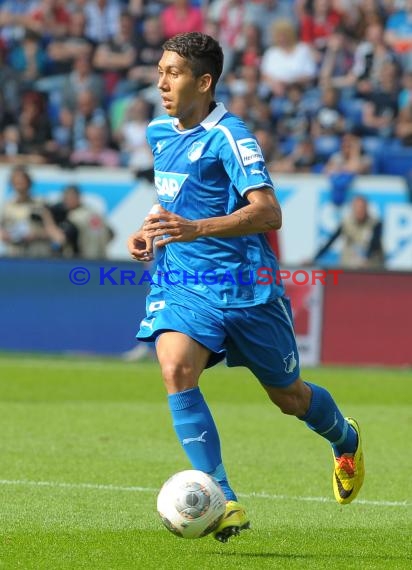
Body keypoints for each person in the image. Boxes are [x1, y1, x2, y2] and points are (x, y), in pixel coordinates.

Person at [127, 32, 365, 543]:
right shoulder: (158, 132)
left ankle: (344, 437)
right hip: (185, 284)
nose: (162, 81)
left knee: (290, 398)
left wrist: (196, 228)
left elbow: (268, 213)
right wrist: (152, 230)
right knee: (174, 368)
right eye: (161, 70)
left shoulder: (232, 137)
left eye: (174, 73)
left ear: (204, 81)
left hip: (247, 291)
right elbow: (174, 197)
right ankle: (223, 498)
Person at [313, 194, 384, 269]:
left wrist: (365, 258)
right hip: (349, 267)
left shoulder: (375, 224)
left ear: (367, 208)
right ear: (352, 209)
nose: (359, 211)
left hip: (370, 268)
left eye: (362, 208)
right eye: (357, 208)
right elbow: (330, 241)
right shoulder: (346, 223)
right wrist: (314, 258)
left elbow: (375, 244)